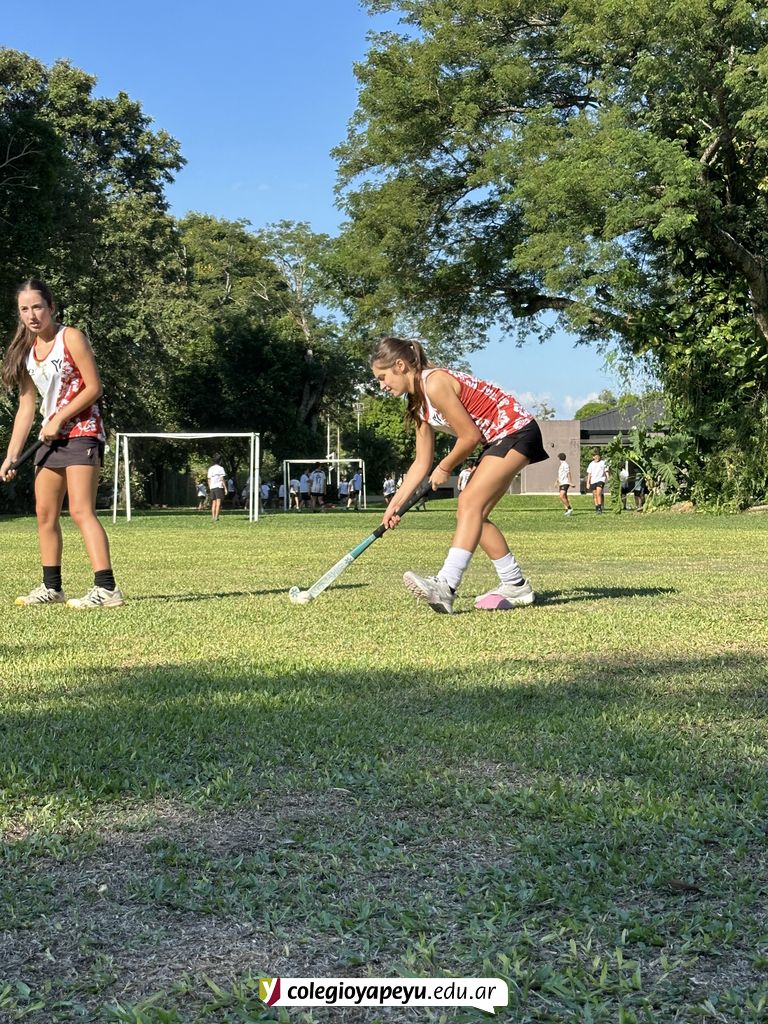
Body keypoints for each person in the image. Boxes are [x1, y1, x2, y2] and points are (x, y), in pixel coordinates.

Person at [371, 336, 548, 614]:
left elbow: (469, 436)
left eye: (382, 377)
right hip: (497, 439)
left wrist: (445, 467)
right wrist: (395, 503)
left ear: (400, 366)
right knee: (473, 515)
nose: (382, 385)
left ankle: (446, 585)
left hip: (515, 431)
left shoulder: (434, 383)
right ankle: (515, 584)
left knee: (469, 504)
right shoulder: (418, 404)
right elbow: (421, 463)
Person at [0, 277, 124, 608]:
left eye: (37, 307)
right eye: (24, 309)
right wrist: (12, 455)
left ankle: (107, 589)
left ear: (51, 307)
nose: (31, 315)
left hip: (82, 432)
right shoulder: (27, 352)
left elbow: (93, 387)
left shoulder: (71, 337)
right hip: (50, 438)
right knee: (44, 513)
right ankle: (52, 588)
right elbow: (27, 407)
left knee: (81, 510)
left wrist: (59, 418)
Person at [585, 448, 608, 514]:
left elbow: (606, 471)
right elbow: (589, 474)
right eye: (595, 456)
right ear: (593, 457)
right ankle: (597, 507)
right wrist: (588, 483)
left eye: (598, 456)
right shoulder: (591, 464)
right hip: (593, 480)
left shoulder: (603, 463)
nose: (597, 457)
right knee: (595, 494)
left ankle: (600, 507)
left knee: (598, 493)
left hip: (601, 479)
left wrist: (608, 478)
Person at [207, 454, 226, 522]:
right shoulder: (221, 468)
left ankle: (213, 517)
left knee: (213, 503)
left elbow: (209, 479)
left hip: (212, 487)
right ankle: (216, 517)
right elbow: (222, 478)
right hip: (218, 486)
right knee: (218, 503)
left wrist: (210, 487)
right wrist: (225, 488)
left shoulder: (210, 468)